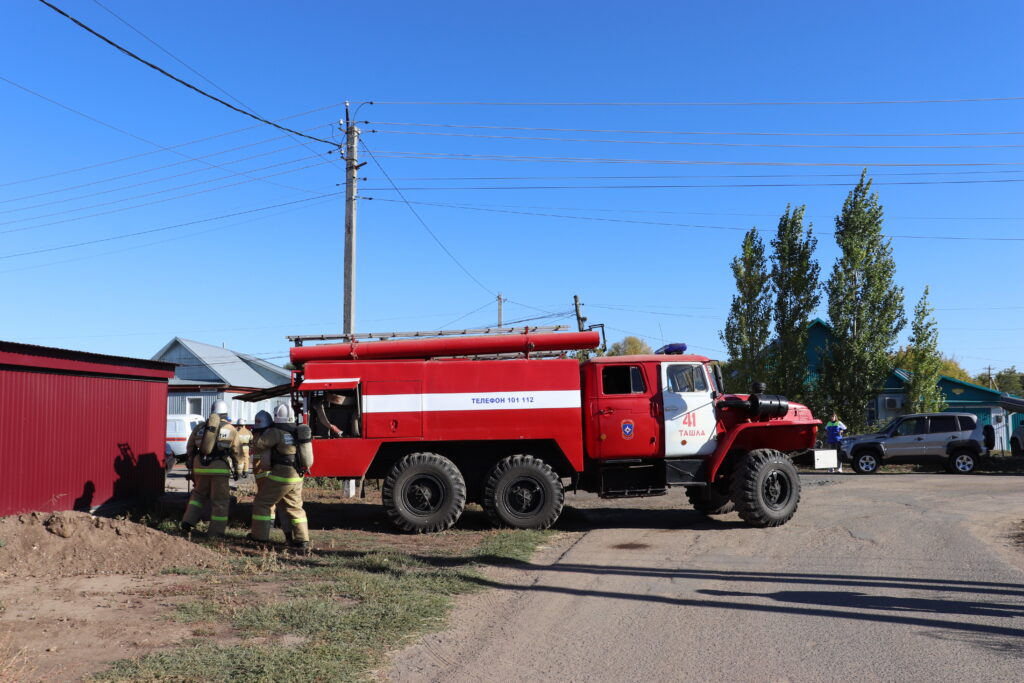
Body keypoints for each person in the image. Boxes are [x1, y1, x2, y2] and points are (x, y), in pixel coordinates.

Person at [250, 403, 310, 551]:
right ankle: (302, 540)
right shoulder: (297, 431)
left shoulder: (276, 432)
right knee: (293, 507)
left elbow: (259, 445)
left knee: (262, 502)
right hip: (297, 476)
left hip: (281, 476)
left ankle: (259, 536)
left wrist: (259, 432)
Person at [181, 400, 243, 536]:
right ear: (225, 413)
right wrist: (239, 469)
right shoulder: (230, 429)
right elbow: (237, 451)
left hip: (200, 467)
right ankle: (216, 532)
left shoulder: (200, 427)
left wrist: (191, 461)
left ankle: (187, 522)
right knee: (220, 501)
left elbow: (190, 446)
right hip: (219, 469)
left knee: (197, 496)